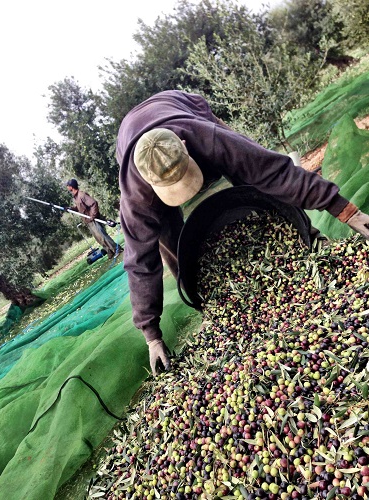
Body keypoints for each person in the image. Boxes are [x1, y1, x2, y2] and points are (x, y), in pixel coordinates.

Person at [116, 90, 369, 376]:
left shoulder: (209, 138)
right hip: (133, 141)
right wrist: (151, 335)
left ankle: (306, 235)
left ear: (186, 147)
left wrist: (346, 211)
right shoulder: (137, 196)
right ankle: (208, 303)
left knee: (253, 180)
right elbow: (140, 263)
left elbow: (273, 172)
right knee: (169, 240)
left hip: (184, 110)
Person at [65, 179, 122, 258]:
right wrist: (71, 209)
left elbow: (93, 203)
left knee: (102, 236)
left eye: (67, 186)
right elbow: (80, 208)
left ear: (71, 187)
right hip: (88, 221)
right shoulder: (76, 197)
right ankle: (110, 252)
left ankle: (117, 249)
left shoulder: (82, 195)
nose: (67, 187)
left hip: (92, 219)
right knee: (99, 239)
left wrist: (93, 216)